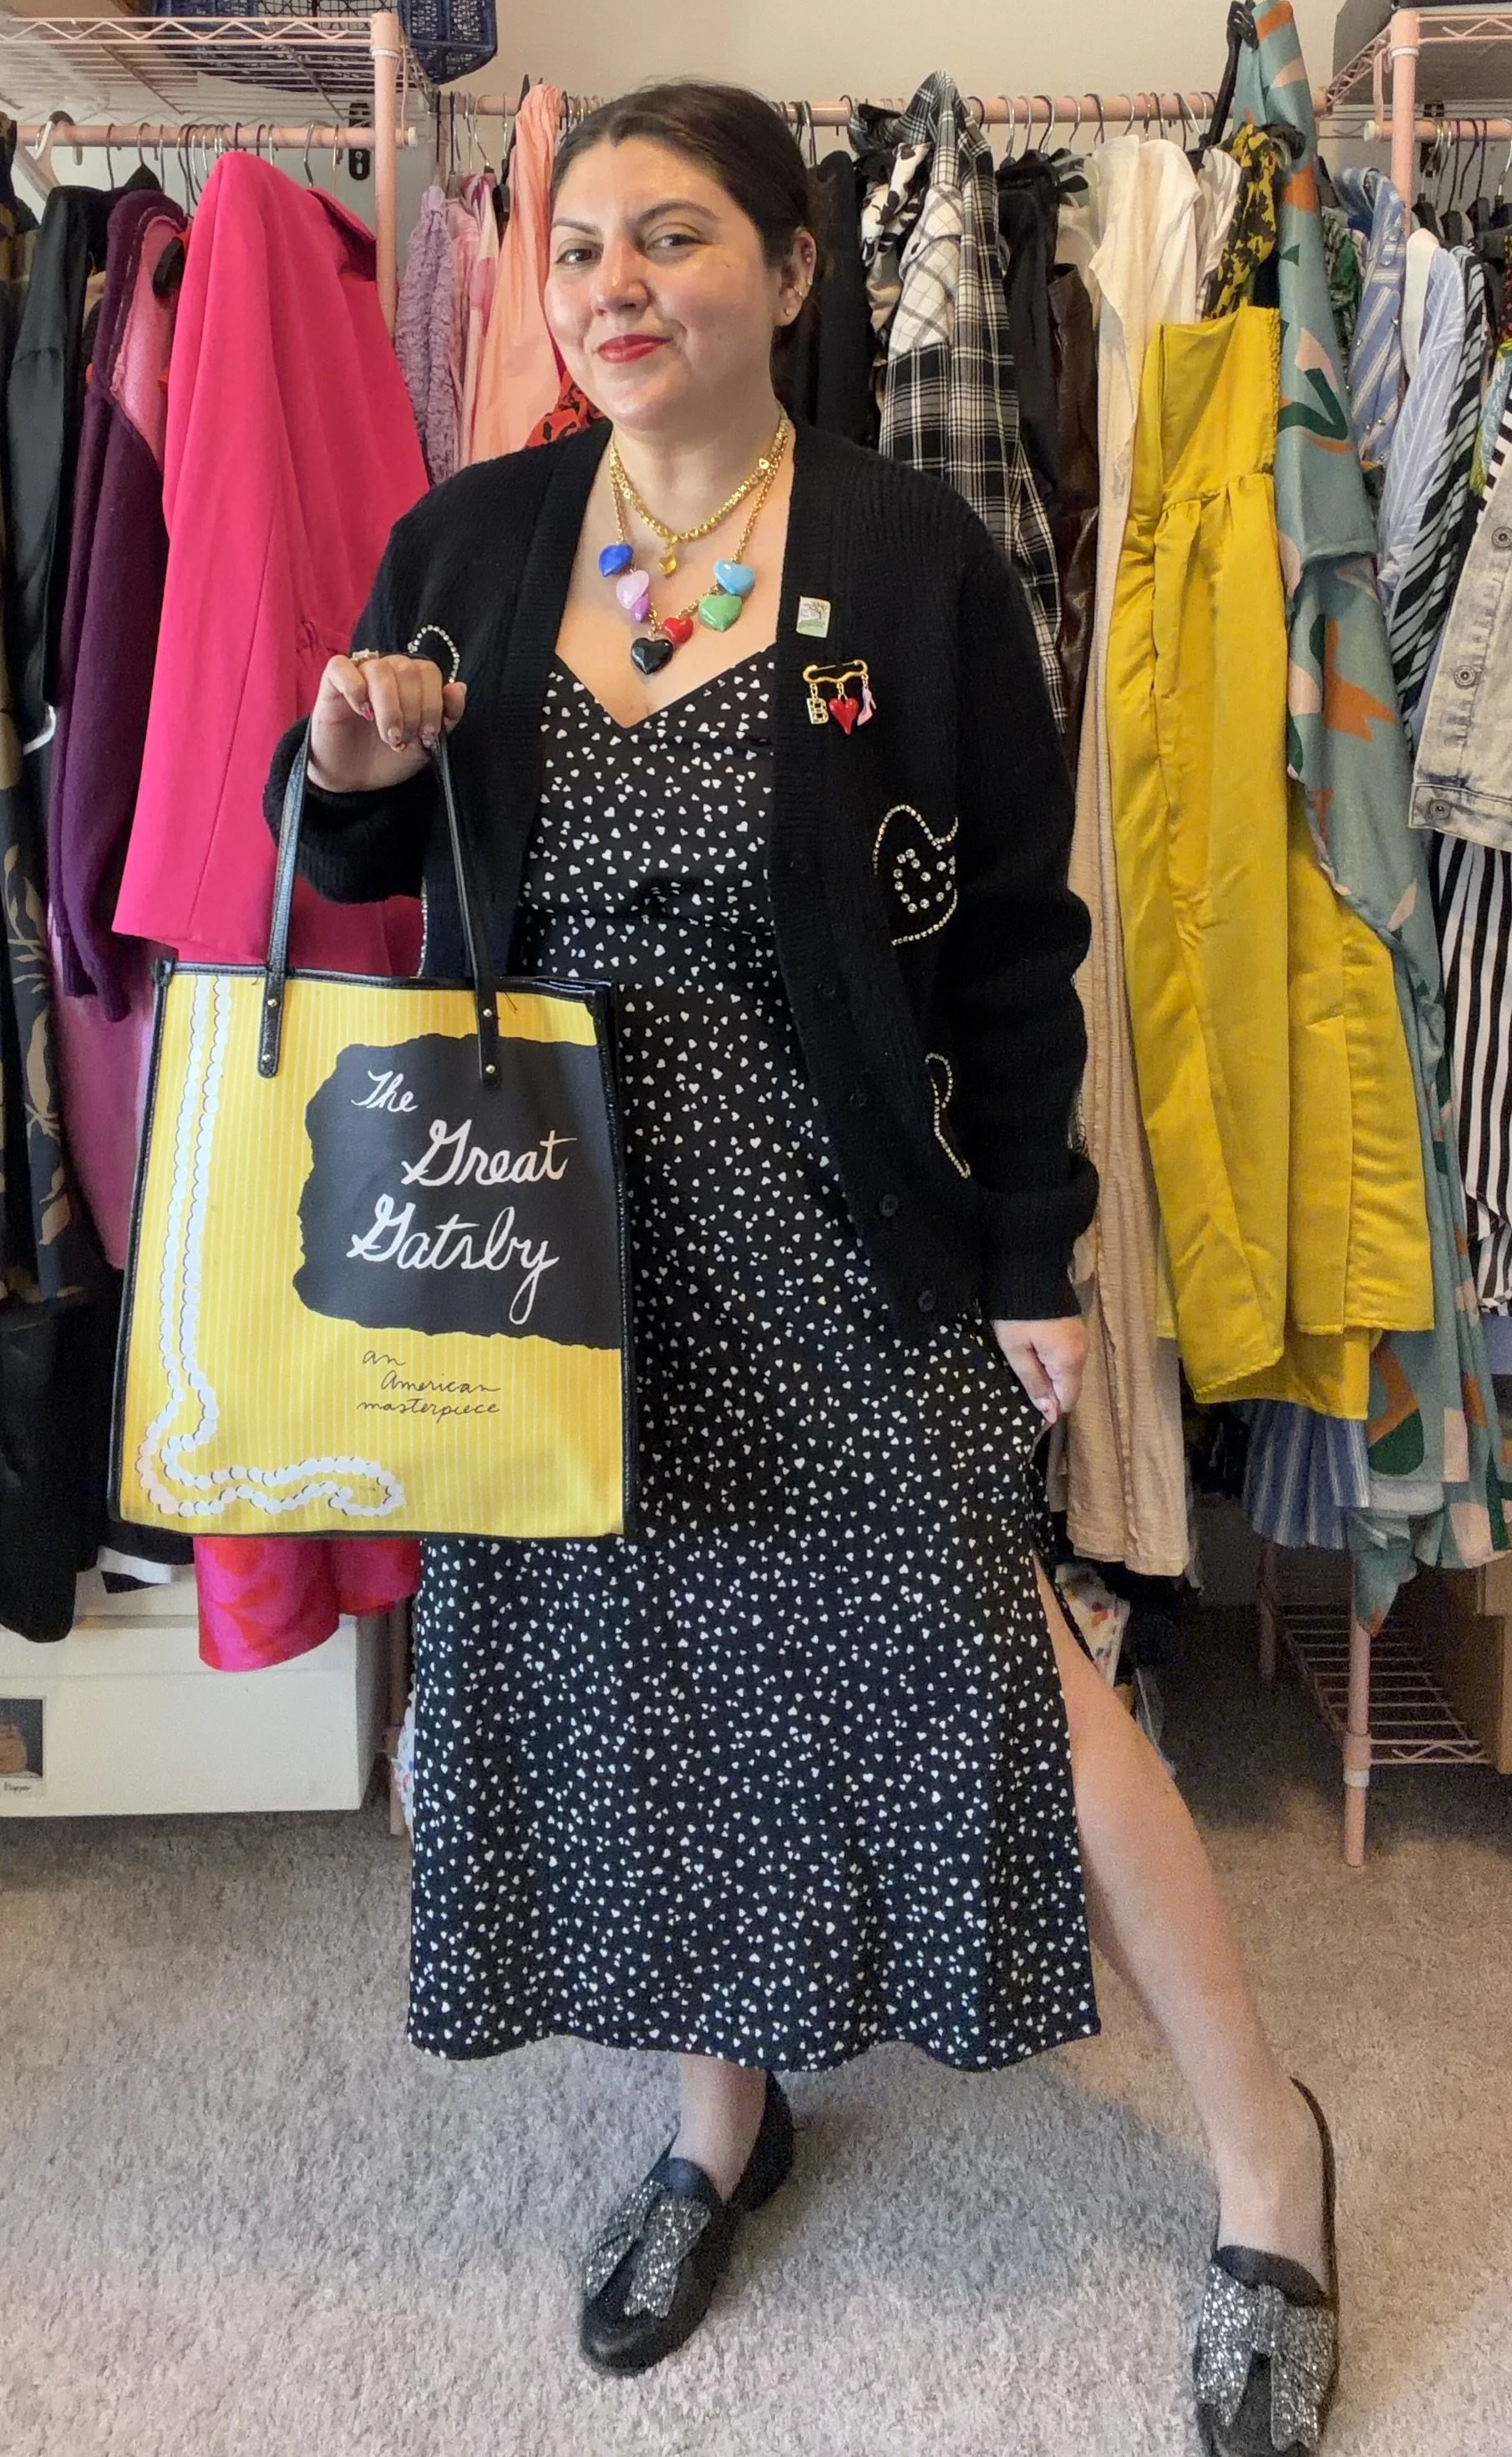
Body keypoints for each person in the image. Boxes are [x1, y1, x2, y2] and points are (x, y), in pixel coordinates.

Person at [266, 82, 1338, 2452]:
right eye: (574, 252)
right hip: (551, 1234)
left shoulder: (910, 549)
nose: (610, 287)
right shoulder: (470, 542)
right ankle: (716, 2117)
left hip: (842, 1224)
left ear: (793, 266)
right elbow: (346, 854)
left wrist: (1039, 1249)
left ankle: (1270, 2155)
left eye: (669, 238)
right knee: (642, 1672)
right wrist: (354, 744)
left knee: (1022, 1686)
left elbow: (1019, 949)